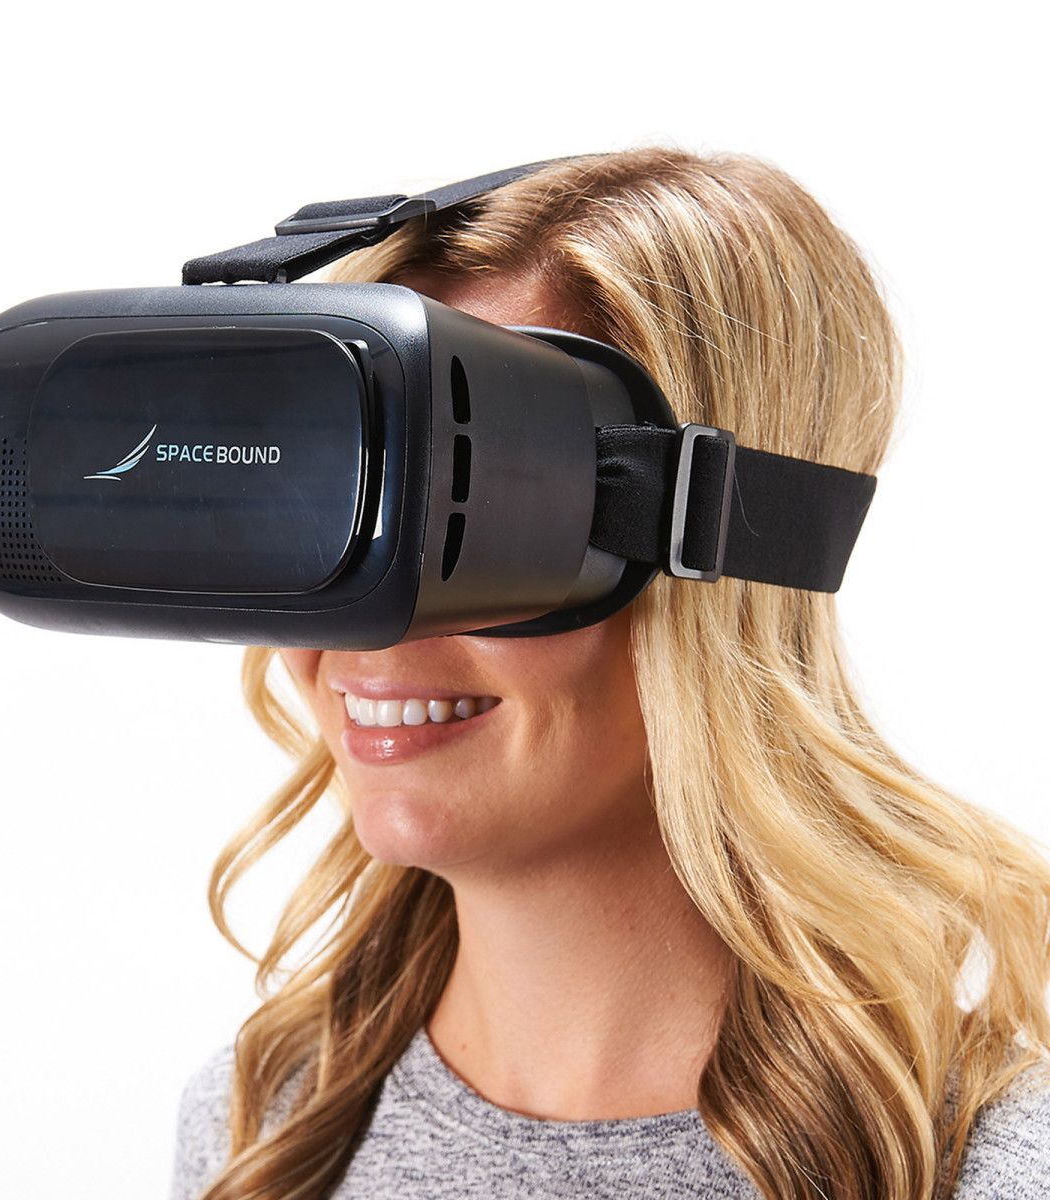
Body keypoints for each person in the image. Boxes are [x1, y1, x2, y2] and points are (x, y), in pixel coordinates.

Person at [169, 148, 1050, 1200]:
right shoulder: (263, 1124)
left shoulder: (984, 1169)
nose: (369, 628)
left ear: (730, 571)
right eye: (340, 510)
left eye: (482, 521)